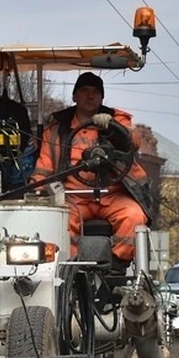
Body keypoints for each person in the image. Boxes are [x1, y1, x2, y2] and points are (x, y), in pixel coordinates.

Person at [28, 72, 151, 274]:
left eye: (95, 92)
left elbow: (133, 141)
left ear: (102, 98)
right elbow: (44, 167)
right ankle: (72, 271)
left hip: (113, 196)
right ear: (75, 96)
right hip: (72, 198)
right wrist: (37, 194)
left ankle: (114, 267)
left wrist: (113, 128)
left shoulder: (116, 120)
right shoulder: (57, 129)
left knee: (134, 216)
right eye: (84, 91)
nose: (90, 96)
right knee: (60, 221)